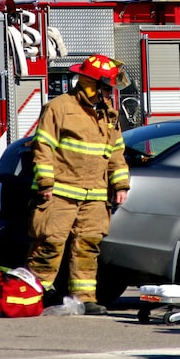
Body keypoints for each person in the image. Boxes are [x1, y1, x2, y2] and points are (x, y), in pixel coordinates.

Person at [26, 54, 130, 315]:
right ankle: (32, 295)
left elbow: (116, 151)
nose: (109, 93)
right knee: (49, 243)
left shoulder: (108, 115)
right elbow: (43, 147)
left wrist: (120, 185)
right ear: (90, 83)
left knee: (88, 246)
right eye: (106, 87)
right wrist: (45, 182)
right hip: (60, 191)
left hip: (94, 194)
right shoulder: (59, 108)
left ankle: (84, 297)